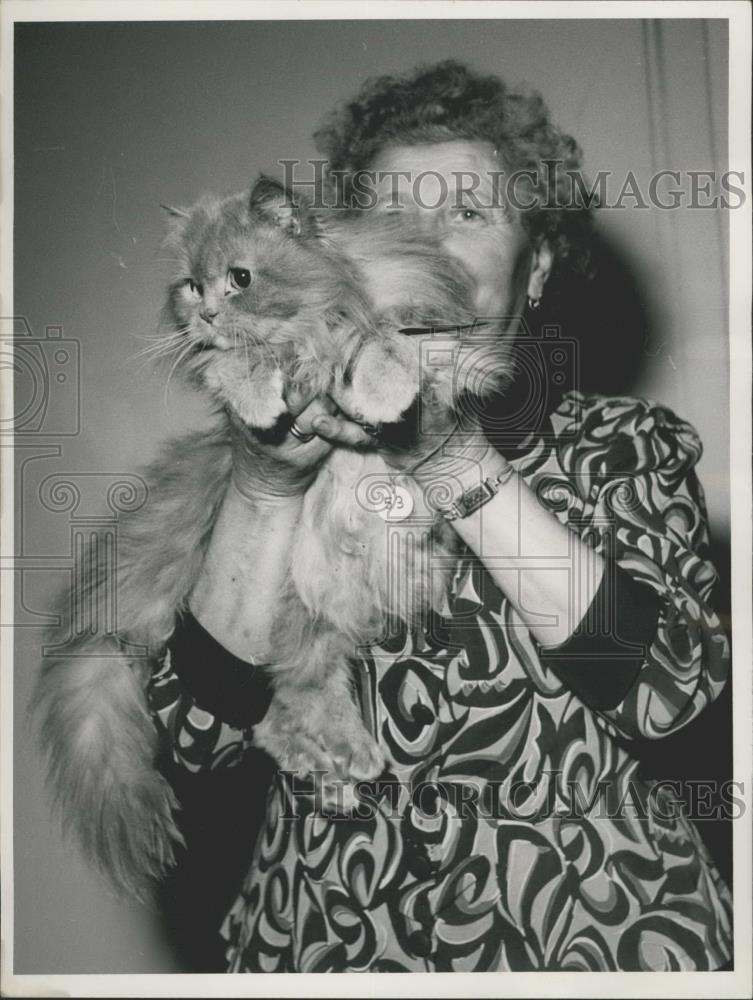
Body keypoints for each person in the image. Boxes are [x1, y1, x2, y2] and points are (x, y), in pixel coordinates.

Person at [147, 60, 733, 972]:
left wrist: (438, 444)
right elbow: (193, 737)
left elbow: (667, 695)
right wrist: (263, 488)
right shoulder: (276, 444)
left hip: (592, 940)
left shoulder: (622, 443)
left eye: (467, 212)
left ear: (534, 267)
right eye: (390, 217)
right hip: (329, 941)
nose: (422, 243)